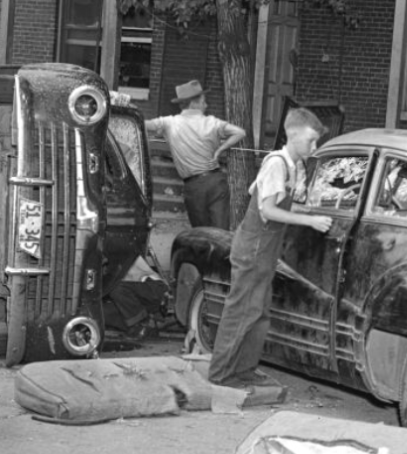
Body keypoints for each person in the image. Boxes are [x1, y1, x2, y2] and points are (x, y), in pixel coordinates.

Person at [208, 108, 332, 389]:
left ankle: (244, 369)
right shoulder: (276, 163)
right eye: (311, 141)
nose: (314, 148)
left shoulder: (294, 166)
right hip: (253, 248)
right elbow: (268, 210)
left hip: (266, 251)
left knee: (259, 312)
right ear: (294, 135)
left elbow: (279, 199)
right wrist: (309, 221)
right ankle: (220, 375)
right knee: (242, 311)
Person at [145, 80, 246, 229]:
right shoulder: (213, 122)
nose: (206, 105)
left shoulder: (169, 123)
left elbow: (142, 123)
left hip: (193, 186)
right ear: (194, 103)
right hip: (216, 182)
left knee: (200, 233)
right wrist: (221, 149)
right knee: (221, 234)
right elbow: (240, 132)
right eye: (203, 102)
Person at [103, 255, 172, 340]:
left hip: (154, 290)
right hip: (137, 295)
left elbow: (107, 285)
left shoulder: (116, 251)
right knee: (103, 312)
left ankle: (142, 325)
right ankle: (144, 326)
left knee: (116, 288)